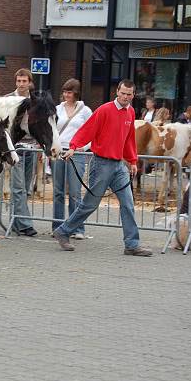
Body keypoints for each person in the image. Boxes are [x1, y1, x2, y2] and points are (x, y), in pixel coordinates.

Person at [53, 79, 154, 256]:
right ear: (117, 92)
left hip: (119, 166)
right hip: (101, 164)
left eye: (129, 94)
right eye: (122, 93)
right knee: (90, 205)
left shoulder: (130, 112)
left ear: (133, 95)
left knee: (128, 204)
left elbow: (129, 139)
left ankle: (132, 244)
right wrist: (74, 147)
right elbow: (88, 129)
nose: (125, 97)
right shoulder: (105, 109)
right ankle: (63, 231)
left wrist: (132, 161)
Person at [51, 78, 93, 240]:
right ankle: (58, 225)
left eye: (69, 92)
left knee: (75, 192)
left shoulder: (85, 110)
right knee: (58, 191)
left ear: (76, 93)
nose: (66, 95)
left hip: (76, 152)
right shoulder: (57, 109)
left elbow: (92, 131)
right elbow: (52, 129)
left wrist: (85, 147)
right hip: (59, 150)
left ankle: (77, 227)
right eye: (64, 92)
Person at [8, 68, 38, 237]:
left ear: (29, 82)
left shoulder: (35, 101)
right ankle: (26, 225)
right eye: (18, 81)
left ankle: (16, 222)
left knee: (25, 188)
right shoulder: (7, 100)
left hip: (32, 147)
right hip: (14, 148)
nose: (21, 84)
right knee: (18, 187)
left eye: (24, 81)